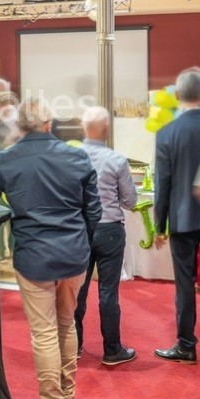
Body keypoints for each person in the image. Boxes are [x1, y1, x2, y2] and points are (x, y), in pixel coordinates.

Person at [0, 96, 100, 399]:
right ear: (49, 123)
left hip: (35, 255)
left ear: (20, 125)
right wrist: (82, 241)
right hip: (74, 254)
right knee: (67, 324)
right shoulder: (77, 155)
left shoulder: (7, 159)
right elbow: (94, 210)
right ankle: (66, 397)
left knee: (45, 332)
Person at [153, 70, 200, 364]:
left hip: (182, 216)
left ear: (177, 96)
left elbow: (164, 184)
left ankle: (186, 345)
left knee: (184, 283)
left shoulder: (166, 133)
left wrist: (160, 225)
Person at [73, 107, 137, 367]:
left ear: (83, 129)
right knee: (108, 292)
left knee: (77, 289)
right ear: (107, 129)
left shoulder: (71, 158)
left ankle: (73, 346)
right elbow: (131, 201)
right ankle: (112, 350)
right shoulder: (118, 160)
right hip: (110, 229)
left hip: (79, 229)